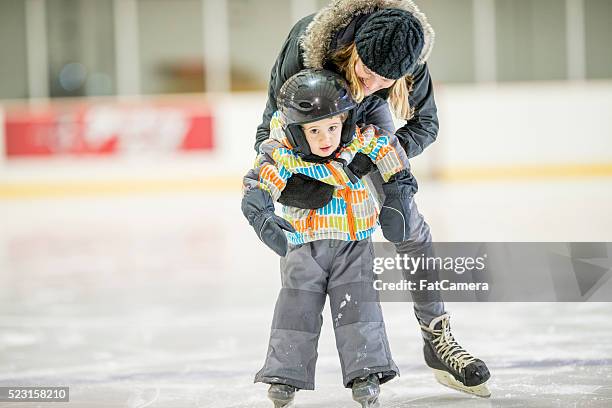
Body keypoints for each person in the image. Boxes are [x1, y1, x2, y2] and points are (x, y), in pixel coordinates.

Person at [253, 0, 491, 398]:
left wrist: (377, 157)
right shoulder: (307, 46)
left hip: (370, 136)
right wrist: (288, 184)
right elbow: (271, 126)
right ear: (354, 50)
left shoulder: (408, 58)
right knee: (303, 243)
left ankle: (438, 338)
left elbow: (426, 124)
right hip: (315, 140)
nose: (375, 84)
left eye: (387, 80)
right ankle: (287, 363)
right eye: (368, 72)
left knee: (411, 230)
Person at [242, 69, 417, 407]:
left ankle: (366, 370)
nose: (326, 138)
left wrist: (398, 195)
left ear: (345, 122)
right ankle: (284, 373)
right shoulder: (283, 153)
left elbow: (391, 152)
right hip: (302, 244)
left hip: (354, 243)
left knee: (359, 306)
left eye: (333, 127)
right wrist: (260, 213)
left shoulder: (358, 143)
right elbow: (259, 179)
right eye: (314, 130)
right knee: (297, 308)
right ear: (296, 131)